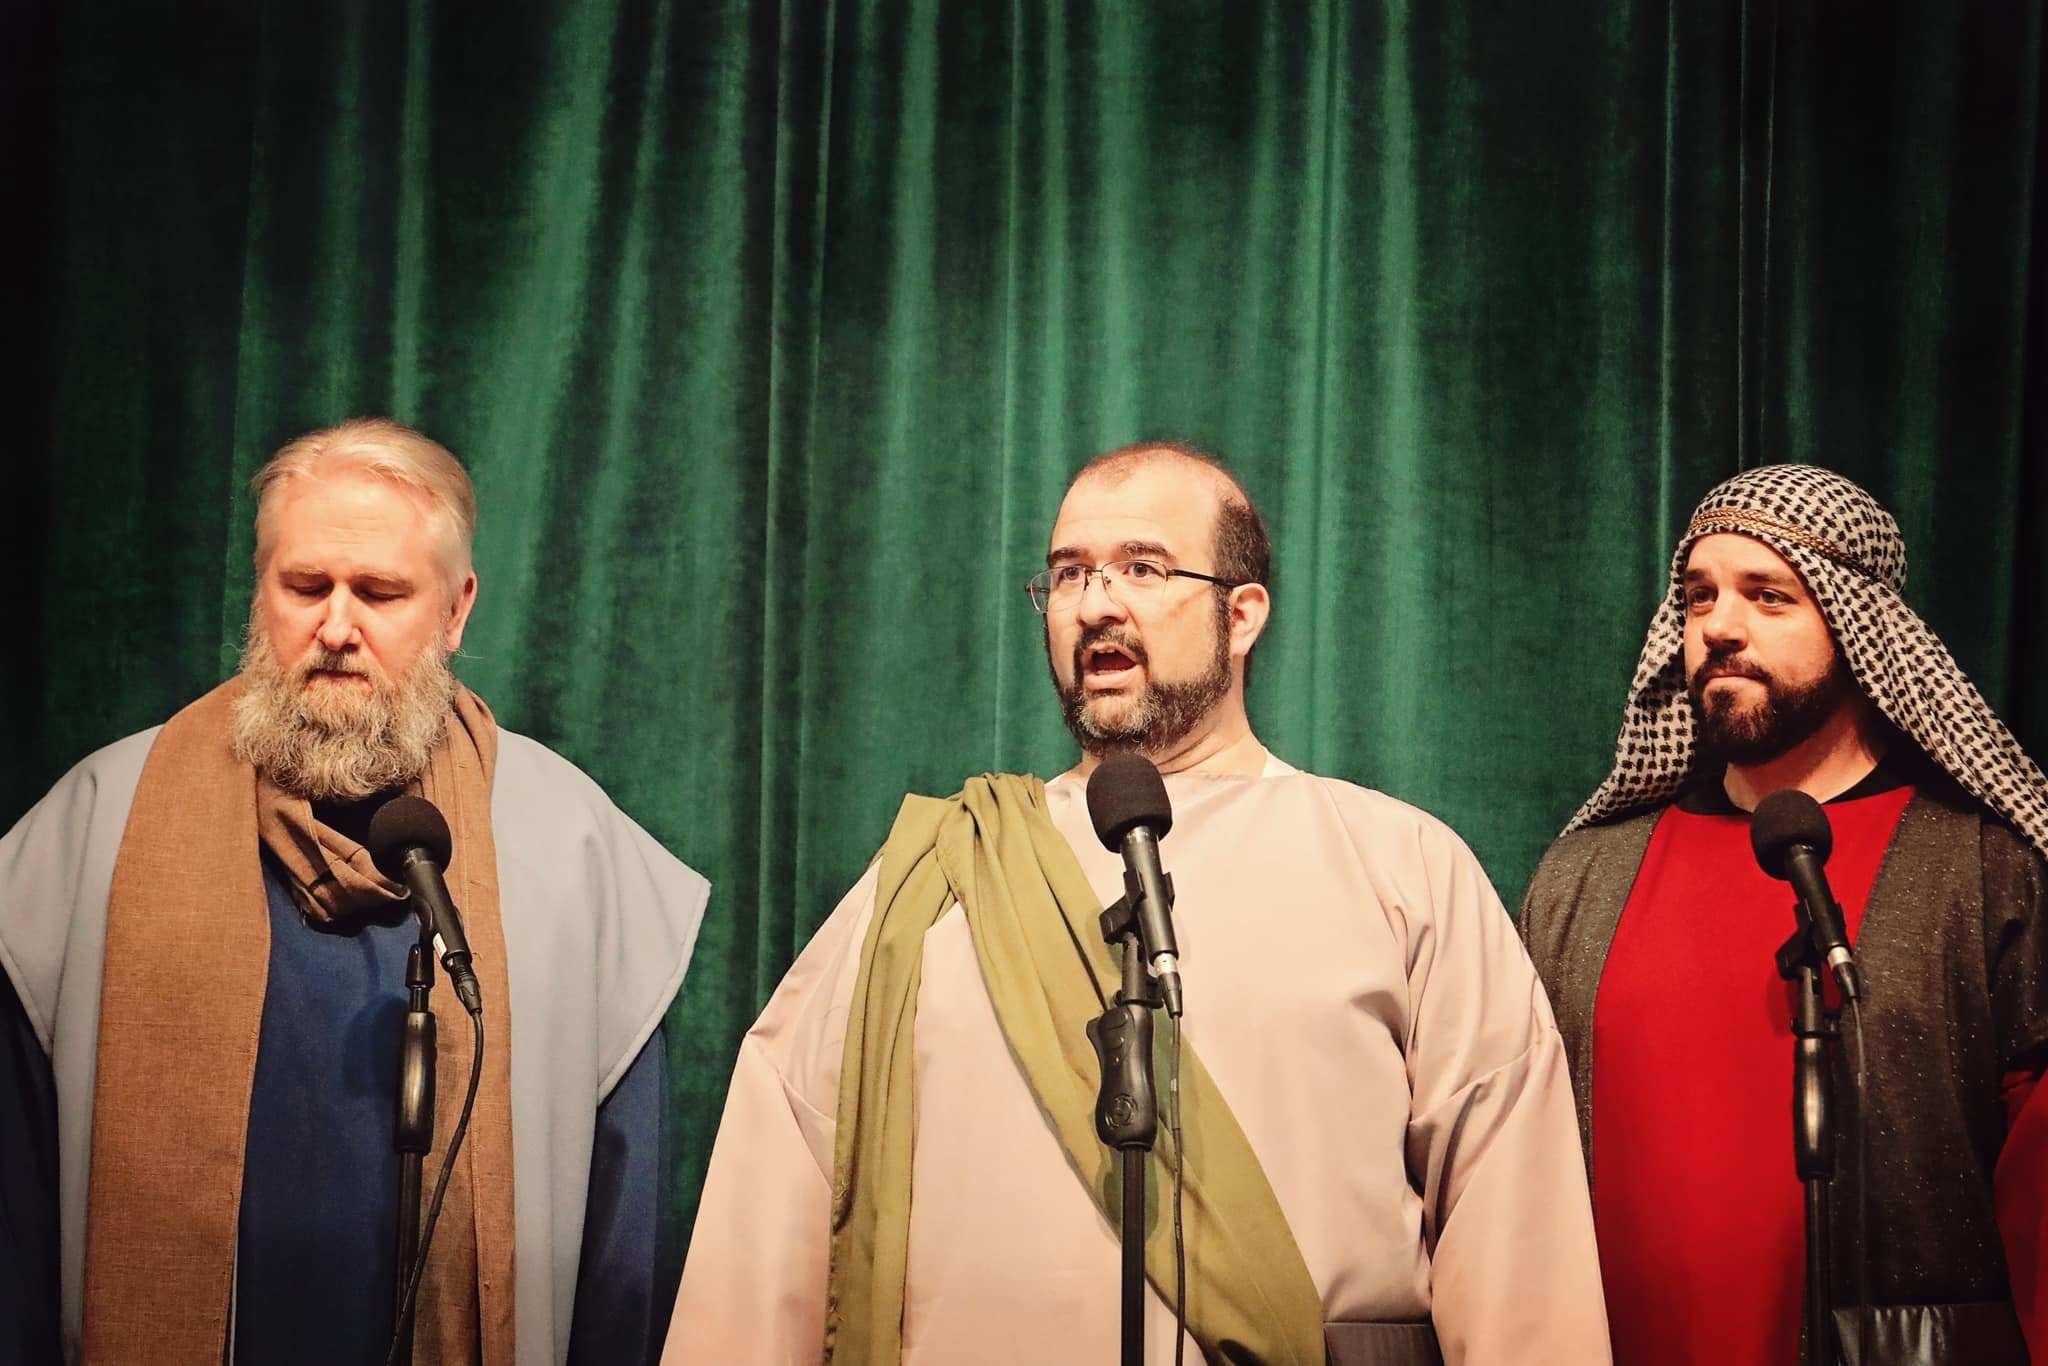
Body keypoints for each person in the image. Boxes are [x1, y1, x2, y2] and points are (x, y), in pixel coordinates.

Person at [665, 441, 1610, 1364]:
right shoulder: (939, 873)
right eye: (1068, 576)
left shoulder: (1398, 863)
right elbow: (777, 1181)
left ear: (1242, 616)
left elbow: (1512, 1213)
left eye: (1143, 568)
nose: (1095, 605)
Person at [0, 418, 710, 1366]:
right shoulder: (95, 830)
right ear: (261, 595)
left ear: (457, 610)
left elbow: (625, 1252)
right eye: (304, 588)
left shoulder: (574, 852)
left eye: (378, 592)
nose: (336, 628)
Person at [1519, 463, 2048, 1365]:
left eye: (1770, 596)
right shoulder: (1582, 877)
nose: (1719, 626)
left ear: (1859, 626)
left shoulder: (1981, 869)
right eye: (1698, 597)